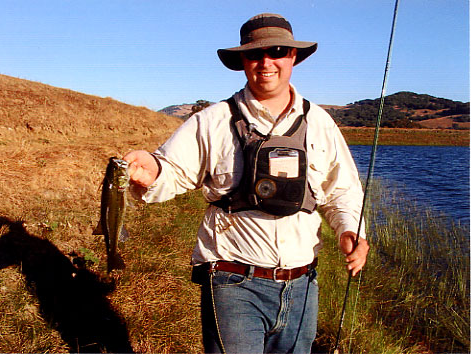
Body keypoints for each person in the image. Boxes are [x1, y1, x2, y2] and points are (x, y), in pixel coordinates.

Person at [124, 13, 369, 354]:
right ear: (242, 61)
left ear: (293, 57)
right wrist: (149, 170)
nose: (266, 62)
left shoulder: (320, 123)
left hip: (303, 285)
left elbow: (342, 191)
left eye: (278, 51)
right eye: (255, 54)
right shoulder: (211, 121)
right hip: (232, 282)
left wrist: (349, 230)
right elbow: (171, 170)